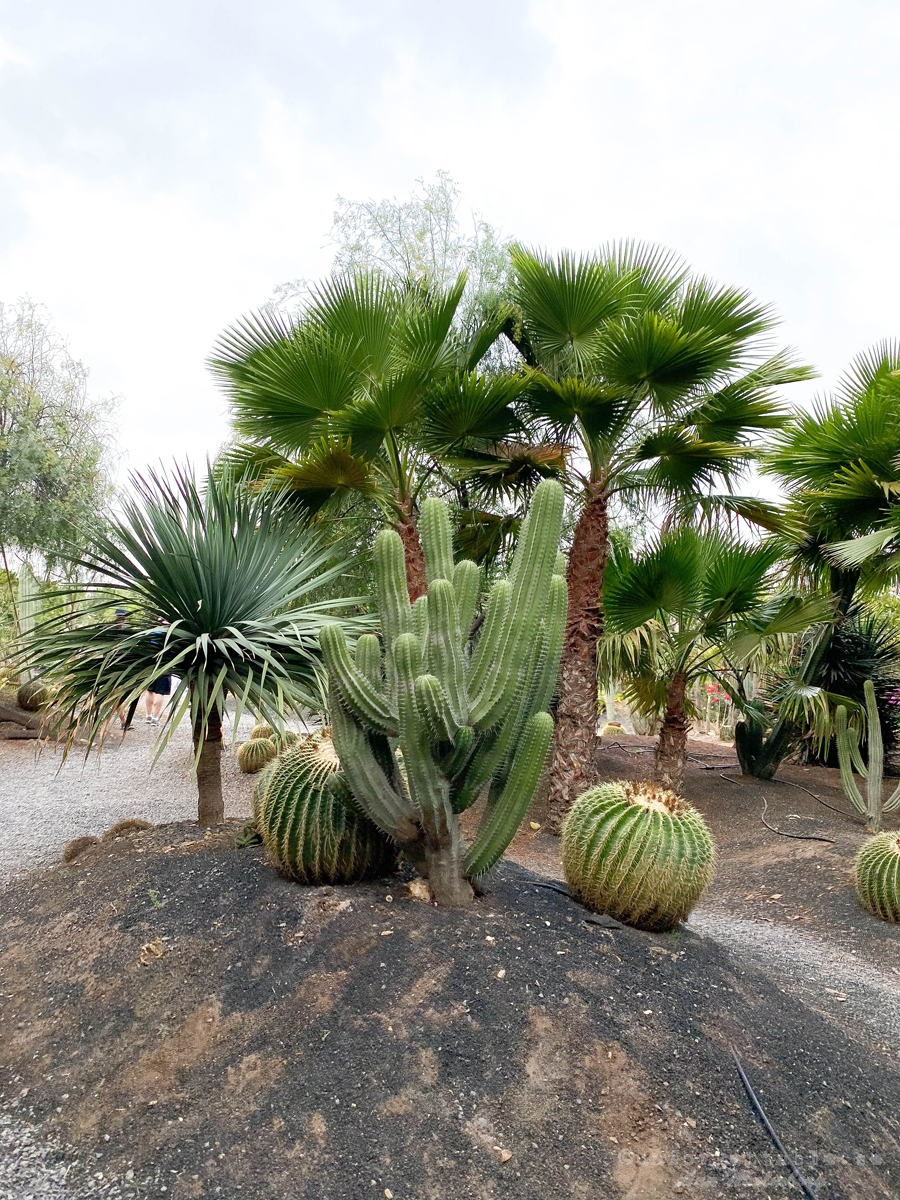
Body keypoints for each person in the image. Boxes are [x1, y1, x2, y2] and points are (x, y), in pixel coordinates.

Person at [144, 618, 172, 724]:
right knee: (160, 692)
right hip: (165, 664)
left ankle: (148, 715)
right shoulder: (172, 634)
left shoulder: (154, 632)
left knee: (150, 689)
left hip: (152, 664)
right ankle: (155, 718)